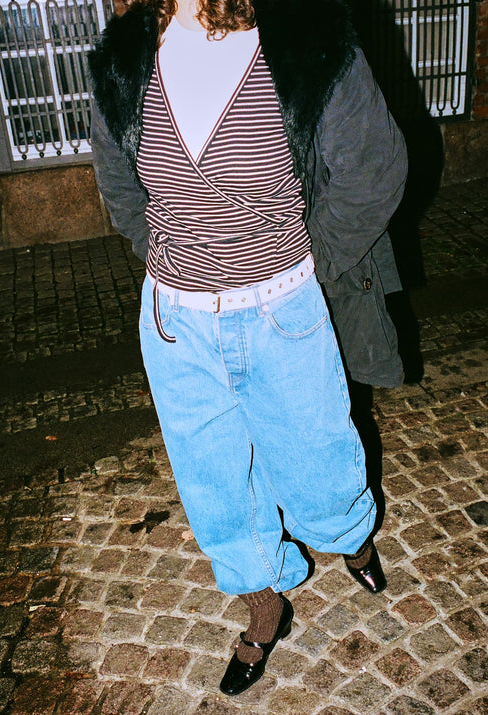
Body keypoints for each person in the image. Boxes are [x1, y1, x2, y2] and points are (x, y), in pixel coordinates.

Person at [88, 0, 407, 696]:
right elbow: (118, 185)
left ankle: (351, 537)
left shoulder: (308, 40)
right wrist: (172, 266)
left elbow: (375, 168)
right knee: (216, 483)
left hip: (281, 307)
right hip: (176, 325)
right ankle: (265, 606)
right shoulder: (124, 56)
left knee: (319, 460)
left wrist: (305, 267)